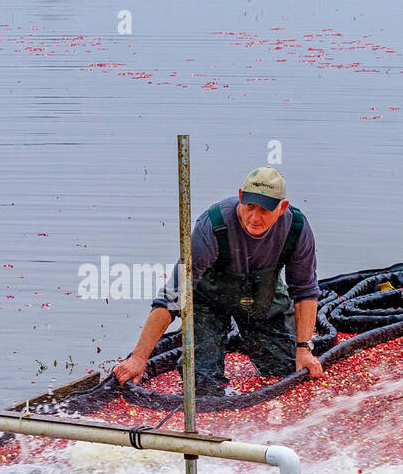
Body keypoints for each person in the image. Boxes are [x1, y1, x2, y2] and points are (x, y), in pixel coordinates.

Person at [113, 167, 324, 396]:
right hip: (209, 300)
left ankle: (248, 338)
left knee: (286, 370)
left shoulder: (297, 229)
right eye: (250, 206)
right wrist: (138, 358)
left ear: (282, 208)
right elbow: (174, 296)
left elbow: (304, 292)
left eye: (264, 210)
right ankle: (207, 345)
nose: (254, 218)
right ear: (241, 197)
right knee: (203, 382)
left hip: (263, 296)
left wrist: (304, 349)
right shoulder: (212, 226)